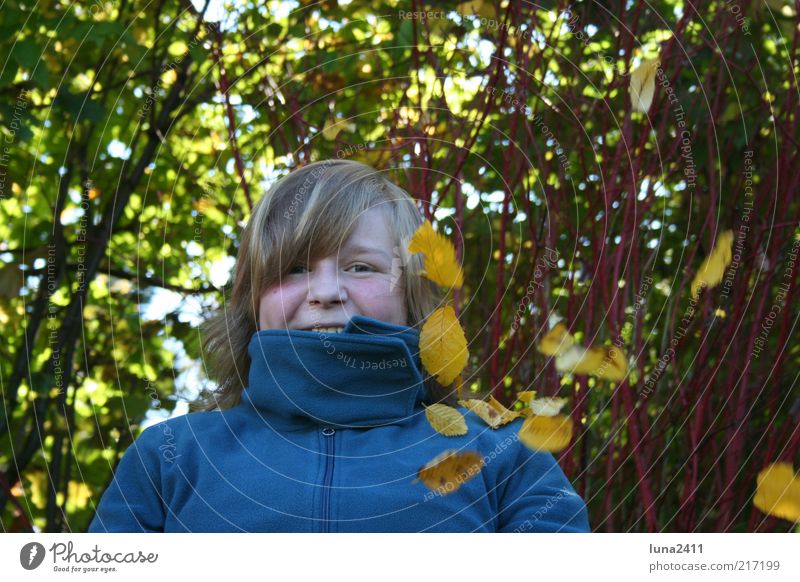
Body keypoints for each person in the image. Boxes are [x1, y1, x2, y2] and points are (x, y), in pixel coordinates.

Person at [88, 159, 590, 532]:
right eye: (294, 268)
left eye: (361, 267)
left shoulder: (498, 453)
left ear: (414, 301)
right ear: (251, 299)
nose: (326, 292)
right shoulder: (172, 457)